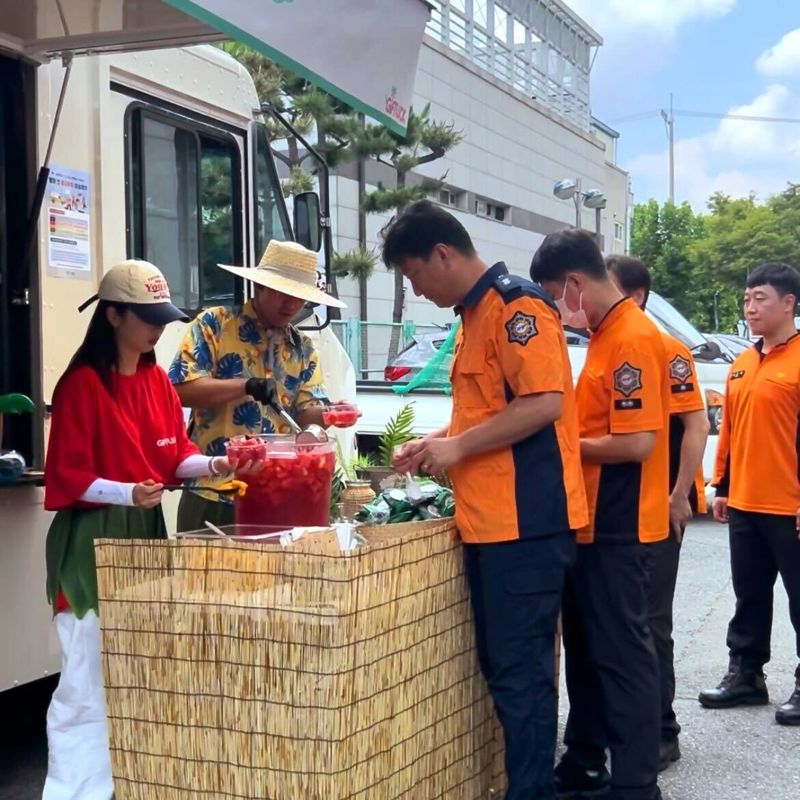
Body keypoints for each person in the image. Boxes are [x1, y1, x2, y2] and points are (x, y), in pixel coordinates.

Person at [384, 201, 588, 800]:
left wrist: (461, 446)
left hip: (525, 527)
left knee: (520, 680)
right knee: (508, 675)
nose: (418, 292)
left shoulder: (517, 307)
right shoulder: (473, 315)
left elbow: (544, 403)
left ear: (443, 254)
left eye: (417, 276)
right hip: (491, 525)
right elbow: (488, 412)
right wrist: (436, 441)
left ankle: (531, 793)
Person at [43, 261, 253, 800]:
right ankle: (73, 792)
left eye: (162, 317)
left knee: (136, 672)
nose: (158, 328)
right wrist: (126, 491)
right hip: (91, 538)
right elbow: (68, 477)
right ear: (113, 316)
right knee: (86, 684)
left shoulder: (158, 381)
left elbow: (174, 455)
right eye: (147, 317)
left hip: (141, 530)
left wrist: (215, 466)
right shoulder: (81, 385)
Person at [530, 229, 669, 800]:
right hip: (591, 521)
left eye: (554, 297)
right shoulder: (606, 335)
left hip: (620, 521)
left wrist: (563, 442)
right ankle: (584, 761)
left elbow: (636, 443)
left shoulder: (633, 338)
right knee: (588, 652)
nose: (558, 311)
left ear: (574, 285)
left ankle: (636, 782)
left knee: (621, 655)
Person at [170, 239, 358, 532]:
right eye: (283, 293)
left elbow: (304, 415)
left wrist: (332, 414)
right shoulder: (213, 325)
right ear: (259, 287)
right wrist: (245, 386)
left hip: (277, 491)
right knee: (204, 576)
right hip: (213, 488)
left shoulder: (304, 348)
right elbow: (180, 390)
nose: (292, 304)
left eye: (300, 297)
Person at [607, 255, 710, 768]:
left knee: (652, 623)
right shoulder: (613, 344)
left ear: (637, 295)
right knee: (627, 623)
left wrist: (678, 496)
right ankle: (629, 725)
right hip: (622, 513)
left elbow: (695, 426)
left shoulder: (668, 353)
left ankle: (662, 729)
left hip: (659, 508)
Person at [699, 263, 800, 726]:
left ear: (788, 304)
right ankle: (747, 675)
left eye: (760, 298)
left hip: (791, 506)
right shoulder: (741, 365)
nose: (750, 306)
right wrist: (722, 487)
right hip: (745, 504)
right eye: (746, 299)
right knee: (749, 596)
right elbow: (731, 433)